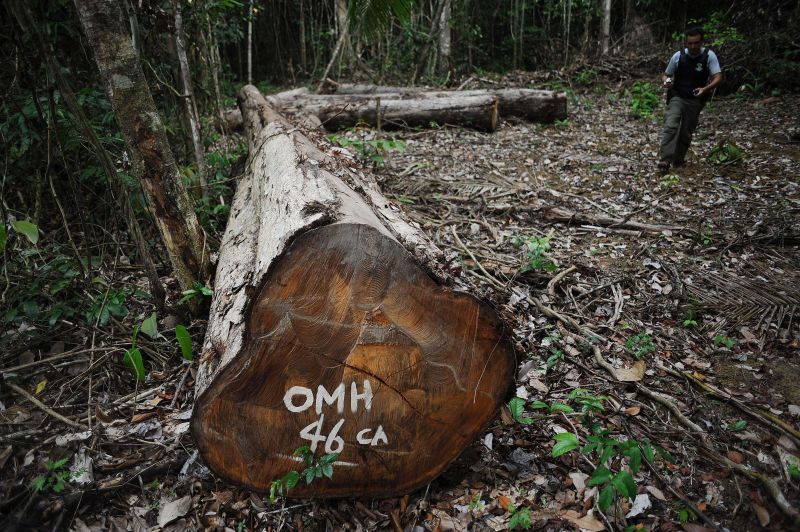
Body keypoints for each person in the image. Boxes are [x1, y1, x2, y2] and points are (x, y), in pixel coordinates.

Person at [658, 28, 722, 170]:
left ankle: (678, 160)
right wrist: (666, 81)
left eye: (696, 43)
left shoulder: (709, 56)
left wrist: (705, 89)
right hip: (677, 96)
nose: (693, 47)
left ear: (701, 42)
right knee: (671, 124)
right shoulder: (678, 56)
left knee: (686, 132)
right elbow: (666, 74)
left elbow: (717, 77)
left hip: (694, 100)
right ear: (686, 42)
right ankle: (665, 159)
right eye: (690, 43)